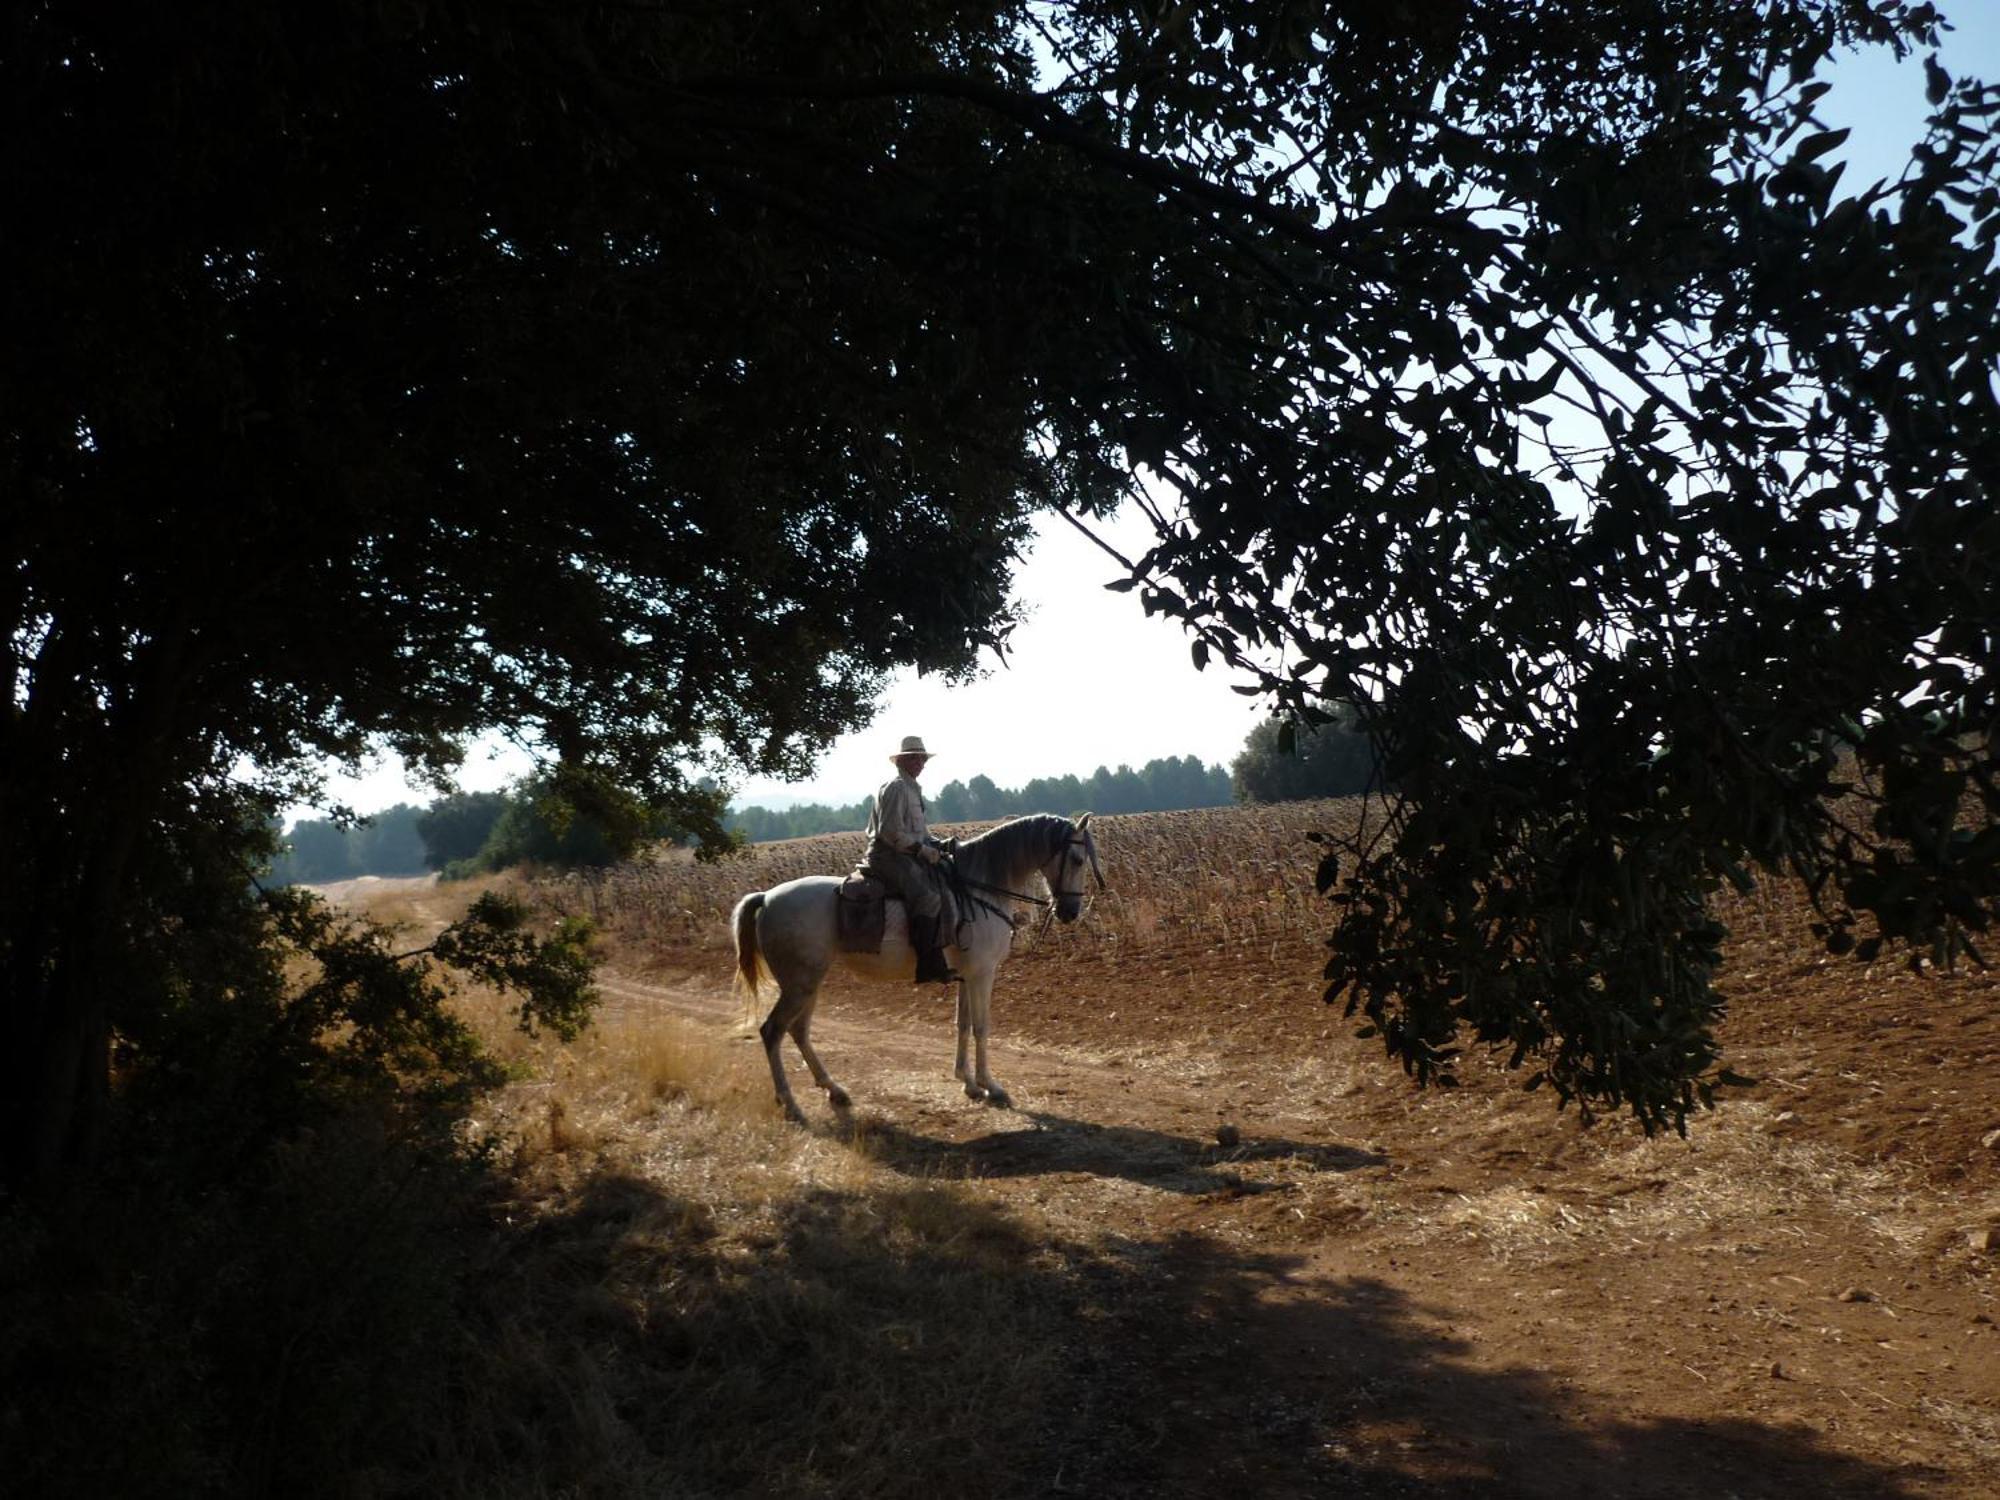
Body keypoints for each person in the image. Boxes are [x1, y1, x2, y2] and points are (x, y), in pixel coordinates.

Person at [865, 734, 958, 984]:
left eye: (922, 758)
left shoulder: (913, 789)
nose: (921, 763)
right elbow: (890, 832)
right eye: (915, 758)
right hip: (888, 856)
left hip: (906, 853)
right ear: (902, 761)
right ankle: (926, 964)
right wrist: (923, 850)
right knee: (928, 896)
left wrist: (937, 843)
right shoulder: (896, 788)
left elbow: (920, 831)